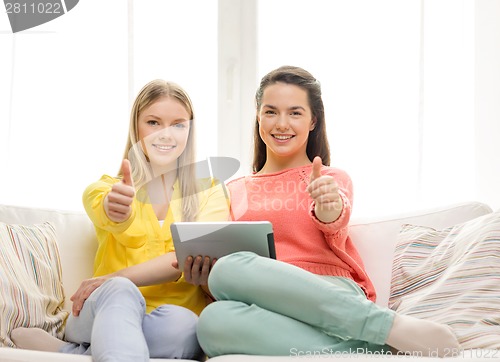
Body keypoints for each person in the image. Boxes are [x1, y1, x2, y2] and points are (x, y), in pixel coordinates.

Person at [196, 66, 460, 357]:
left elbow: (334, 217)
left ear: (313, 121)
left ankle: (382, 325)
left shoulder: (330, 178)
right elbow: (236, 274)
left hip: (330, 294)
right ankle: (372, 347)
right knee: (212, 320)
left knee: (229, 268)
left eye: (295, 113)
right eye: (271, 112)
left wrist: (328, 206)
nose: (281, 123)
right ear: (258, 116)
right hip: (268, 306)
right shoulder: (232, 190)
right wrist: (203, 274)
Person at [11, 79, 229, 361]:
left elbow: (181, 257)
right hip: (102, 307)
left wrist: (113, 277)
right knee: (121, 290)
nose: (166, 134)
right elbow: (112, 214)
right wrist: (119, 211)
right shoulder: (104, 189)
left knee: (185, 326)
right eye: (153, 122)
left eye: (178, 124)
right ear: (136, 127)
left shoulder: (211, 192)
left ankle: (71, 351)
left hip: (168, 317)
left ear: (190, 129)